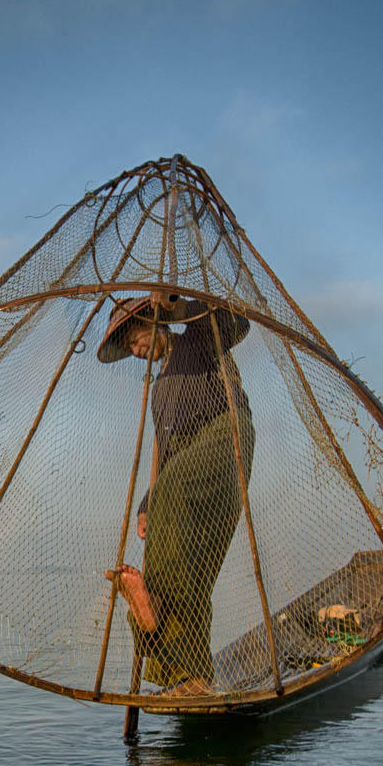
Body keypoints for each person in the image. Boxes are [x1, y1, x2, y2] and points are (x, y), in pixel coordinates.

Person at [99, 292, 254, 697]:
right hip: (183, 464)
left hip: (226, 436)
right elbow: (165, 454)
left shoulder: (196, 341)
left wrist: (175, 306)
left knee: (173, 489)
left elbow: (235, 323)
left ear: (154, 323)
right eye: (130, 347)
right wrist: (146, 507)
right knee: (186, 568)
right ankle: (187, 669)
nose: (136, 350)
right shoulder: (159, 389)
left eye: (137, 338)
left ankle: (155, 616)